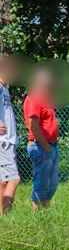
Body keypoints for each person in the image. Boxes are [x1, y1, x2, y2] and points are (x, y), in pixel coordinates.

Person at [24, 67, 59, 211]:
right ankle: (37, 217)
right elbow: (34, 125)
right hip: (41, 147)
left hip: (50, 146)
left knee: (51, 184)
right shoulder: (34, 98)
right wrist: (46, 147)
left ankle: (46, 214)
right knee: (42, 183)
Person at [0, 55, 20, 216]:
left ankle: (2, 217)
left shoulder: (4, 89)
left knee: (3, 181)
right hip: (3, 141)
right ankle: (7, 216)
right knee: (15, 179)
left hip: (7, 141)